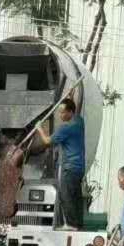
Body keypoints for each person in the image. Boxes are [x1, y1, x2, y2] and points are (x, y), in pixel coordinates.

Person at [49, 97, 87, 231]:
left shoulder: (66, 128)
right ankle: (78, 224)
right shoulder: (79, 121)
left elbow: (47, 141)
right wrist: (70, 96)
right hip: (79, 168)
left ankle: (71, 224)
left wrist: (38, 128)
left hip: (69, 167)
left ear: (70, 112)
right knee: (75, 196)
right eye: (59, 112)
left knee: (66, 195)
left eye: (63, 112)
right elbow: (73, 106)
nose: (60, 115)